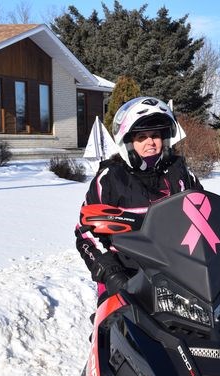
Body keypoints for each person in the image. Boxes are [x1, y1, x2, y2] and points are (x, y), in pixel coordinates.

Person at [75, 96, 202, 300]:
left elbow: (204, 213)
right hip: (127, 274)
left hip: (178, 270)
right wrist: (109, 270)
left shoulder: (180, 173)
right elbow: (85, 232)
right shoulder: (110, 178)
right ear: (128, 142)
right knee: (111, 325)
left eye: (155, 135)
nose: (150, 142)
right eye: (141, 137)